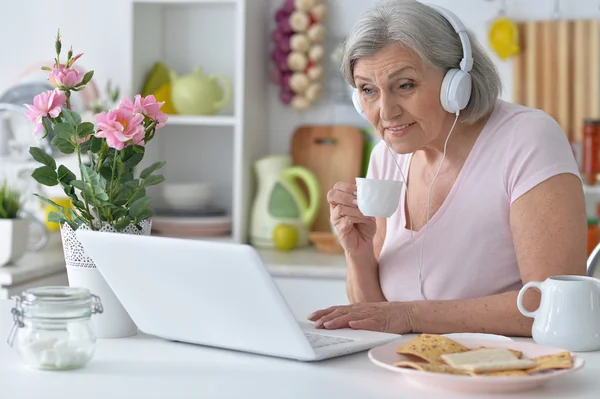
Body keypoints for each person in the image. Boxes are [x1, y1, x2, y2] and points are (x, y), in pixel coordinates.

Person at [307, 0, 587, 336]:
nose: (385, 112)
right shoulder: (386, 157)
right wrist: (358, 253)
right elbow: (375, 317)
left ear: (457, 83)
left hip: (501, 376)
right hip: (407, 373)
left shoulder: (527, 139)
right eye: (368, 90)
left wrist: (410, 317)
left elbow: (553, 305)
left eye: (405, 85)